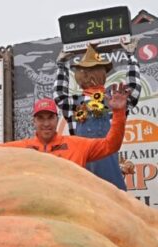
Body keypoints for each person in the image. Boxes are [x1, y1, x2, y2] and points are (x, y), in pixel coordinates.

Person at [0, 88, 128, 171]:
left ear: (56, 119)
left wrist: (119, 112)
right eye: (40, 118)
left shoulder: (78, 145)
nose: (46, 123)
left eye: (50, 117)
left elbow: (111, 145)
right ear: (34, 121)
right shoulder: (21, 149)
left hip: (73, 215)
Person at [53, 41, 141, 191]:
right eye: (83, 71)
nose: (85, 75)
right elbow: (59, 94)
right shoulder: (75, 103)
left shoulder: (113, 99)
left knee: (115, 211)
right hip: (84, 178)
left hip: (111, 177)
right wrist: (61, 65)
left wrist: (131, 57)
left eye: (89, 71)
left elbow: (132, 90)